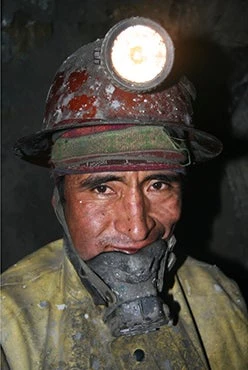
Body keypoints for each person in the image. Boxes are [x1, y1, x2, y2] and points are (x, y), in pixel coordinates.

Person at [1, 17, 247, 370]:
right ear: (61, 198)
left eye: (158, 184)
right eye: (102, 187)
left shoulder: (219, 297)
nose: (137, 228)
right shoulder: (9, 323)